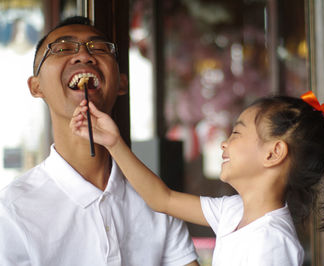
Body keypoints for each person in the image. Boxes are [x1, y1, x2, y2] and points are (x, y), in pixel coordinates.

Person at [70, 90, 324, 265]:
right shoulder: (233, 211)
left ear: (273, 153)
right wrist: (114, 143)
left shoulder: (272, 241)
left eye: (236, 133)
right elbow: (163, 198)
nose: (224, 143)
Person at [0, 16, 199, 266]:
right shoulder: (10, 211)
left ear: (122, 84)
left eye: (99, 48)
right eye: (62, 48)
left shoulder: (157, 200)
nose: (84, 56)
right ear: (36, 87)